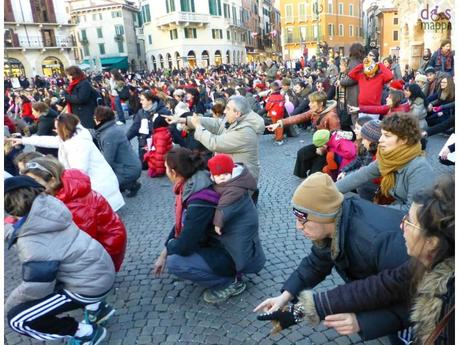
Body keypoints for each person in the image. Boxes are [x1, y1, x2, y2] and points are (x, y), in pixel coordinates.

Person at [262, 174, 454, 345]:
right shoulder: (337, 222)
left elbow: (412, 301)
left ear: (432, 241)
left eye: (409, 221)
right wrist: (291, 303)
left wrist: (365, 321)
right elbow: (381, 286)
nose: (401, 226)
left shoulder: (381, 241)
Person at [5, 176, 115, 344]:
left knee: (18, 319)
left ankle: (86, 333)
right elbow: (27, 229)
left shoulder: (32, 241)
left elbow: (36, 288)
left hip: (89, 287)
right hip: (100, 270)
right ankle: (97, 309)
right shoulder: (49, 208)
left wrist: (8, 306)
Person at [153, 148, 265, 304]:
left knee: (175, 262)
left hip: (233, 254)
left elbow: (185, 244)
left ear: (173, 172)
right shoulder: (201, 180)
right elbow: (185, 223)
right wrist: (164, 251)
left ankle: (230, 283)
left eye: (166, 168)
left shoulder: (200, 199)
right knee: (174, 252)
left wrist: (170, 248)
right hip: (230, 245)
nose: (165, 171)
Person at [21, 155, 127, 273]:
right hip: (104, 240)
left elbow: (79, 243)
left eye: (35, 182)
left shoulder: (74, 205)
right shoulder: (66, 191)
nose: (31, 188)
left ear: (52, 180)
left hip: (107, 246)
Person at [10, 113, 125, 211]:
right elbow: (47, 140)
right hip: (97, 185)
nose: (54, 131)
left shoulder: (78, 144)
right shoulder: (71, 138)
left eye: (56, 128)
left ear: (63, 128)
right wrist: (23, 140)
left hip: (100, 187)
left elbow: (78, 172)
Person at [336, 113, 433, 212]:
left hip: (410, 221)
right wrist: (331, 190)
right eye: (381, 134)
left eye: (387, 135)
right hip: (395, 210)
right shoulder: (388, 158)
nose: (380, 139)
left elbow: (413, 211)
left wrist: (371, 209)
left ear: (404, 139)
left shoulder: (419, 168)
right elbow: (362, 174)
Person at [164, 95, 266, 183]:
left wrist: (198, 126)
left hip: (240, 180)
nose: (225, 111)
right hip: (230, 174)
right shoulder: (236, 120)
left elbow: (214, 143)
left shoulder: (245, 132)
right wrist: (183, 120)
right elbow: (216, 124)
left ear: (238, 113)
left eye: (228, 109)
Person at [266, 91, 340, 178]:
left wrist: (323, 149)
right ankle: (302, 176)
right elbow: (299, 117)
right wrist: (279, 123)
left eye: (312, 102)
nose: (309, 104)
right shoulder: (314, 111)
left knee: (315, 174)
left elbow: (336, 138)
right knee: (302, 153)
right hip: (319, 143)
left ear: (320, 103)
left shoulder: (332, 116)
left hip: (328, 148)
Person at [94, 106, 142, 197]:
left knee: (105, 185)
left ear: (99, 119)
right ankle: (126, 183)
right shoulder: (112, 128)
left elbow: (108, 160)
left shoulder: (109, 134)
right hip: (132, 166)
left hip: (128, 169)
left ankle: (130, 184)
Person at [126, 91, 171, 169]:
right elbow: (134, 128)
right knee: (144, 166)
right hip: (144, 143)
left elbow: (170, 129)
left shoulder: (164, 112)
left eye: (142, 100)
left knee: (159, 167)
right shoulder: (141, 112)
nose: (140, 102)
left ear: (150, 100)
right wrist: (125, 138)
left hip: (159, 144)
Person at [347, 55, 393, 120]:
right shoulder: (361, 76)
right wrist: (362, 65)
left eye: (372, 73)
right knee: (362, 128)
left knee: (372, 129)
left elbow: (390, 76)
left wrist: (380, 64)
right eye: (369, 73)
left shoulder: (380, 77)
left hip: (375, 109)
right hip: (362, 108)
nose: (371, 75)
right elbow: (350, 74)